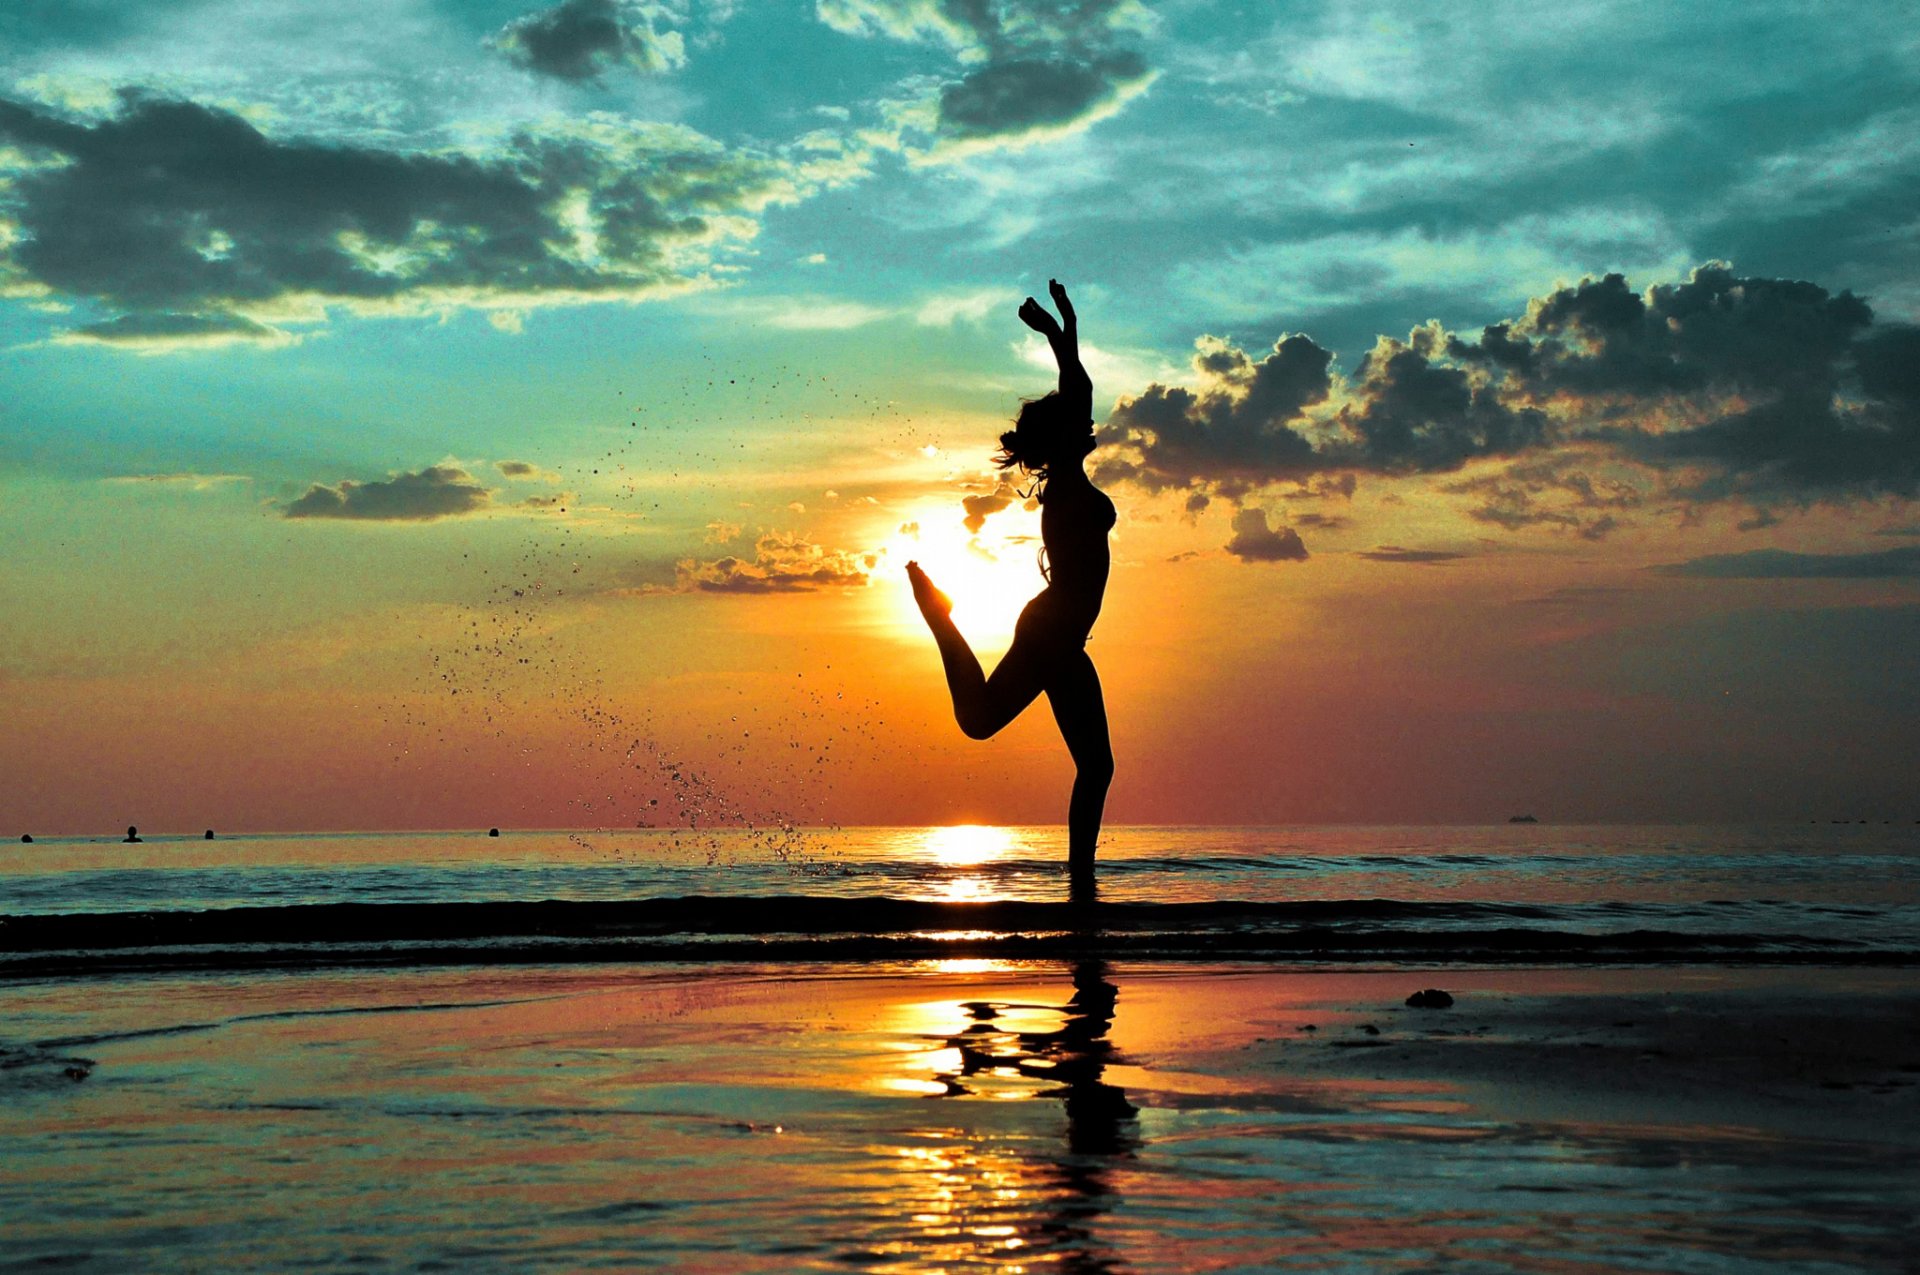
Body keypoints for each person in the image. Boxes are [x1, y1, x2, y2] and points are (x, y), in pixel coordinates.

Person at [907, 279, 1116, 893]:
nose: (1088, 420)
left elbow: (1079, 390)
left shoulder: (1070, 478)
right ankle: (939, 617)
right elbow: (1079, 391)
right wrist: (1060, 334)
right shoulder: (1067, 484)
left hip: (1060, 635)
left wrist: (1062, 330)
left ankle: (1081, 881)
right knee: (1068, 755)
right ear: (1064, 437)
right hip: (1052, 633)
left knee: (1084, 761)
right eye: (1076, 421)